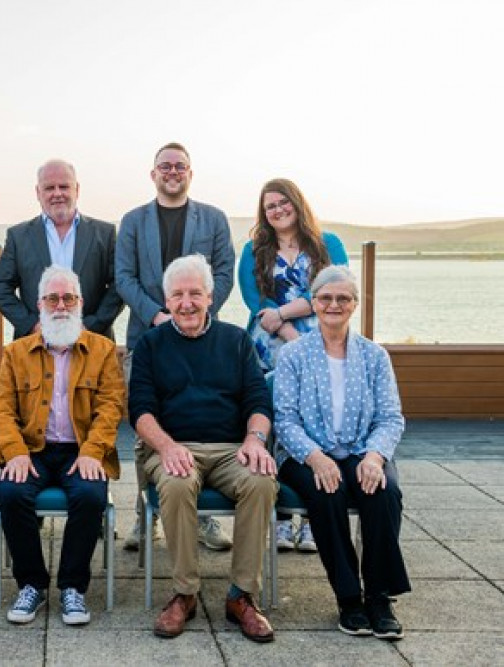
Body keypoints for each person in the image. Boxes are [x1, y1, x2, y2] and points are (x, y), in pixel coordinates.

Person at [130, 254, 277, 643]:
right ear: (167, 299)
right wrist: (165, 446)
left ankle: (242, 595)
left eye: (195, 293)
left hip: (232, 448)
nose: (187, 302)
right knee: (177, 484)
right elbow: (140, 412)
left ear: (211, 297)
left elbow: (259, 402)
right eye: (178, 295)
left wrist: (254, 440)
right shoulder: (150, 345)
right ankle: (185, 592)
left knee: (261, 480)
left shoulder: (236, 340)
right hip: (173, 447)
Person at [274, 265, 409, 641]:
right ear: (314, 303)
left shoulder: (374, 356)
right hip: (305, 453)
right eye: (326, 298)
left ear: (354, 304)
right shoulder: (294, 354)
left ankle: (379, 598)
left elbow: (390, 417)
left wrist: (375, 457)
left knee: (383, 490)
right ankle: (350, 600)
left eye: (343, 298)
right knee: (325, 491)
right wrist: (316, 457)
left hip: (362, 450)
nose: (334, 304)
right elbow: (284, 419)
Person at [116, 141, 236, 552]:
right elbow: (124, 277)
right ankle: (143, 518)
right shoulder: (132, 221)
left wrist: (194, 315)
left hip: (202, 339)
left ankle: (202, 520)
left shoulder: (215, 219)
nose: (172, 172)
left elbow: (223, 274)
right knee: (144, 424)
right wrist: (158, 316)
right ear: (153, 174)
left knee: (199, 420)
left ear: (190, 172)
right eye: (165, 166)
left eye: (180, 166)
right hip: (146, 337)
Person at [0, 266, 124, 626]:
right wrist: (15, 451)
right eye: (52, 298)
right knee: (13, 494)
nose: (60, 305)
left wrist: (93, 452)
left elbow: (111, 407)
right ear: (39, 304)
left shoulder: (103, 350)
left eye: (68, 298)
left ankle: (72, 588)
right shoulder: (16, 353)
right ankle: (31, 583)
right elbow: (0, 408)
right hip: (31, 450)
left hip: (81, 450)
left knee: (91, 496)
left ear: (80, 302)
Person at [238, 178, 349, 553]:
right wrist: (288, 333)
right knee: (273, 416)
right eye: (269, 206)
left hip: (321, 340)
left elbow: (330, 290)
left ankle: (317, 515)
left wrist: (290, 320)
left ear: (297, 203)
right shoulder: (253, 250)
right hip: (268, 343)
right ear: (263, 213)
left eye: (283, 202)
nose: (277, 210)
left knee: (316, 417)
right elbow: (257, 303)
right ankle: (283, 518)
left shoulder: (328, 244)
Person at [0, 159, 123, 340]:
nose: (57, 193)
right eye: (49, 188)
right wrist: (32, 326)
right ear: (38, 192)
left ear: (77, 189)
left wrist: (91, 326)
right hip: (35, 344)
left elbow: (119, 285)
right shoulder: (19, 236)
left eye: (64, 186)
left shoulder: (104, 234)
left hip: (92, 343)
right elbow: (0, 288)